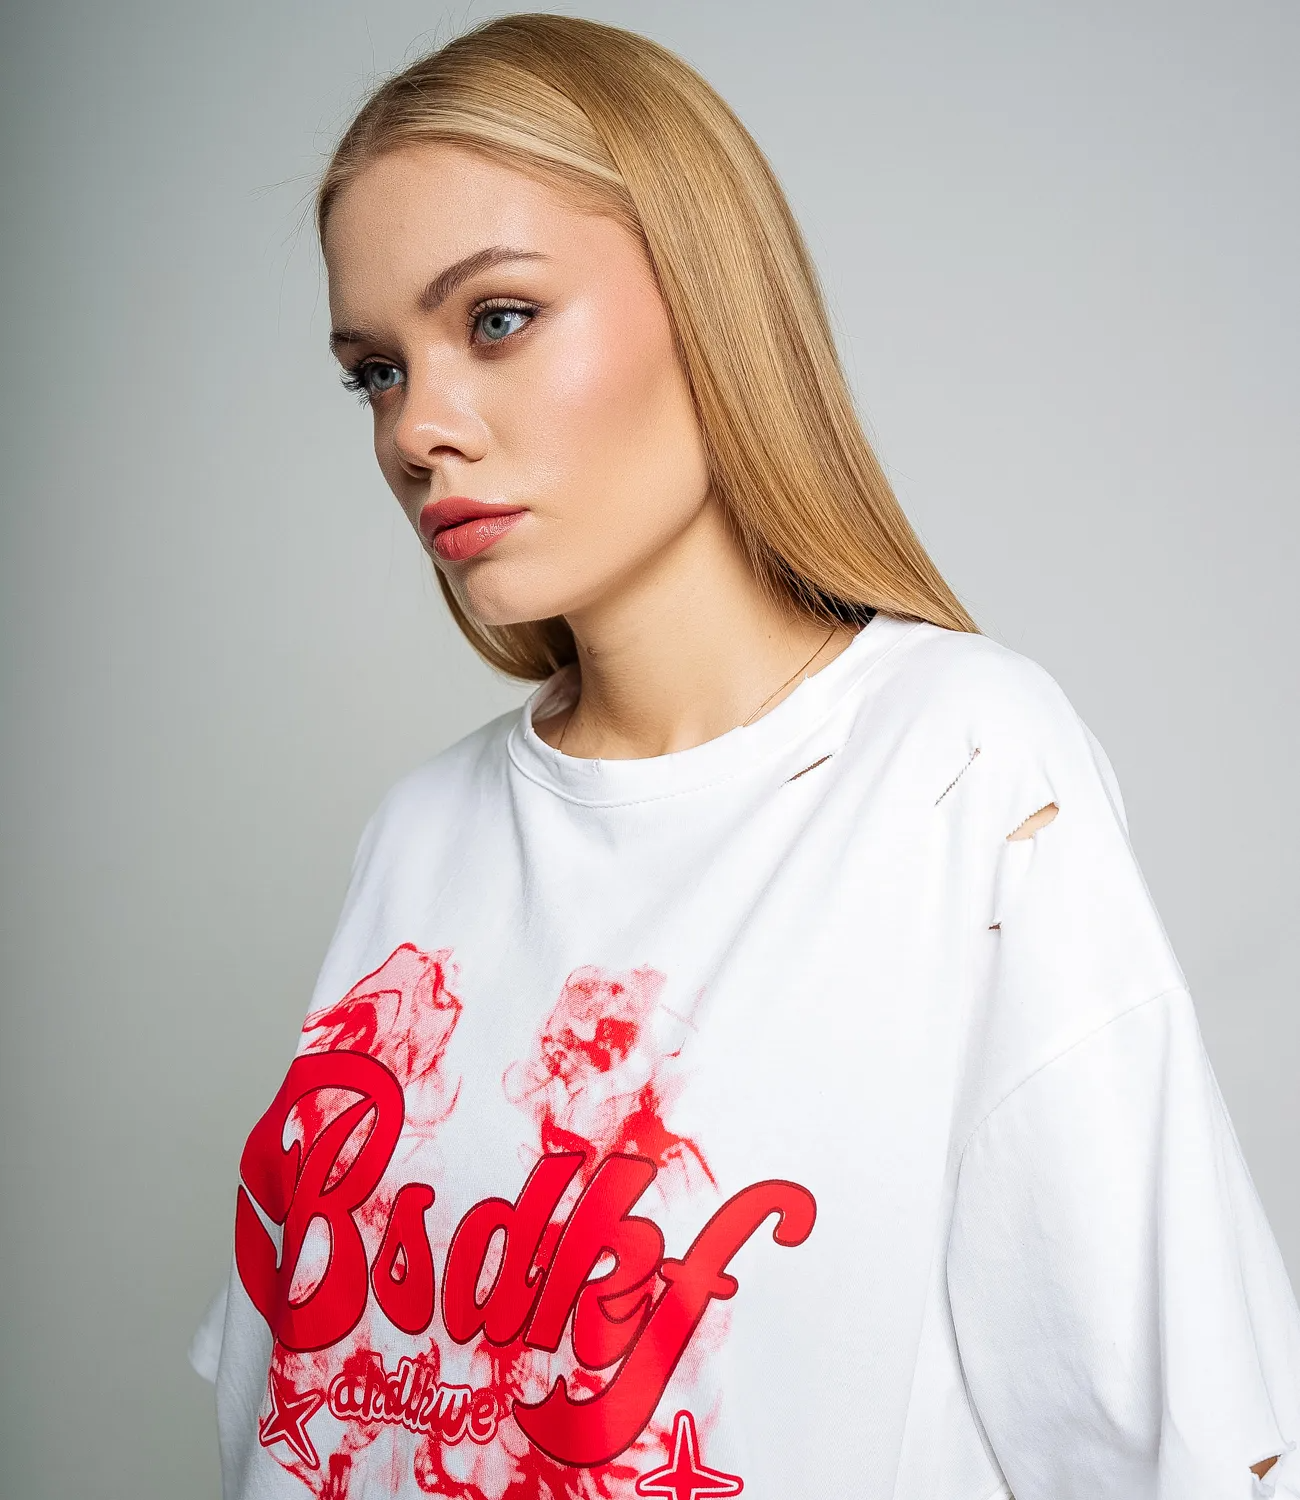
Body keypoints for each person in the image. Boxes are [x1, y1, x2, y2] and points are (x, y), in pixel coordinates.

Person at [189, 14, 1300, 1498]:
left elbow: (1178, 1434)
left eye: (499, 319)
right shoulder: (419, 835)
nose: (418, 430)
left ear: (710, 301)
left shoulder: (957, 767)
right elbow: (301, 1417)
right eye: (374, 371)